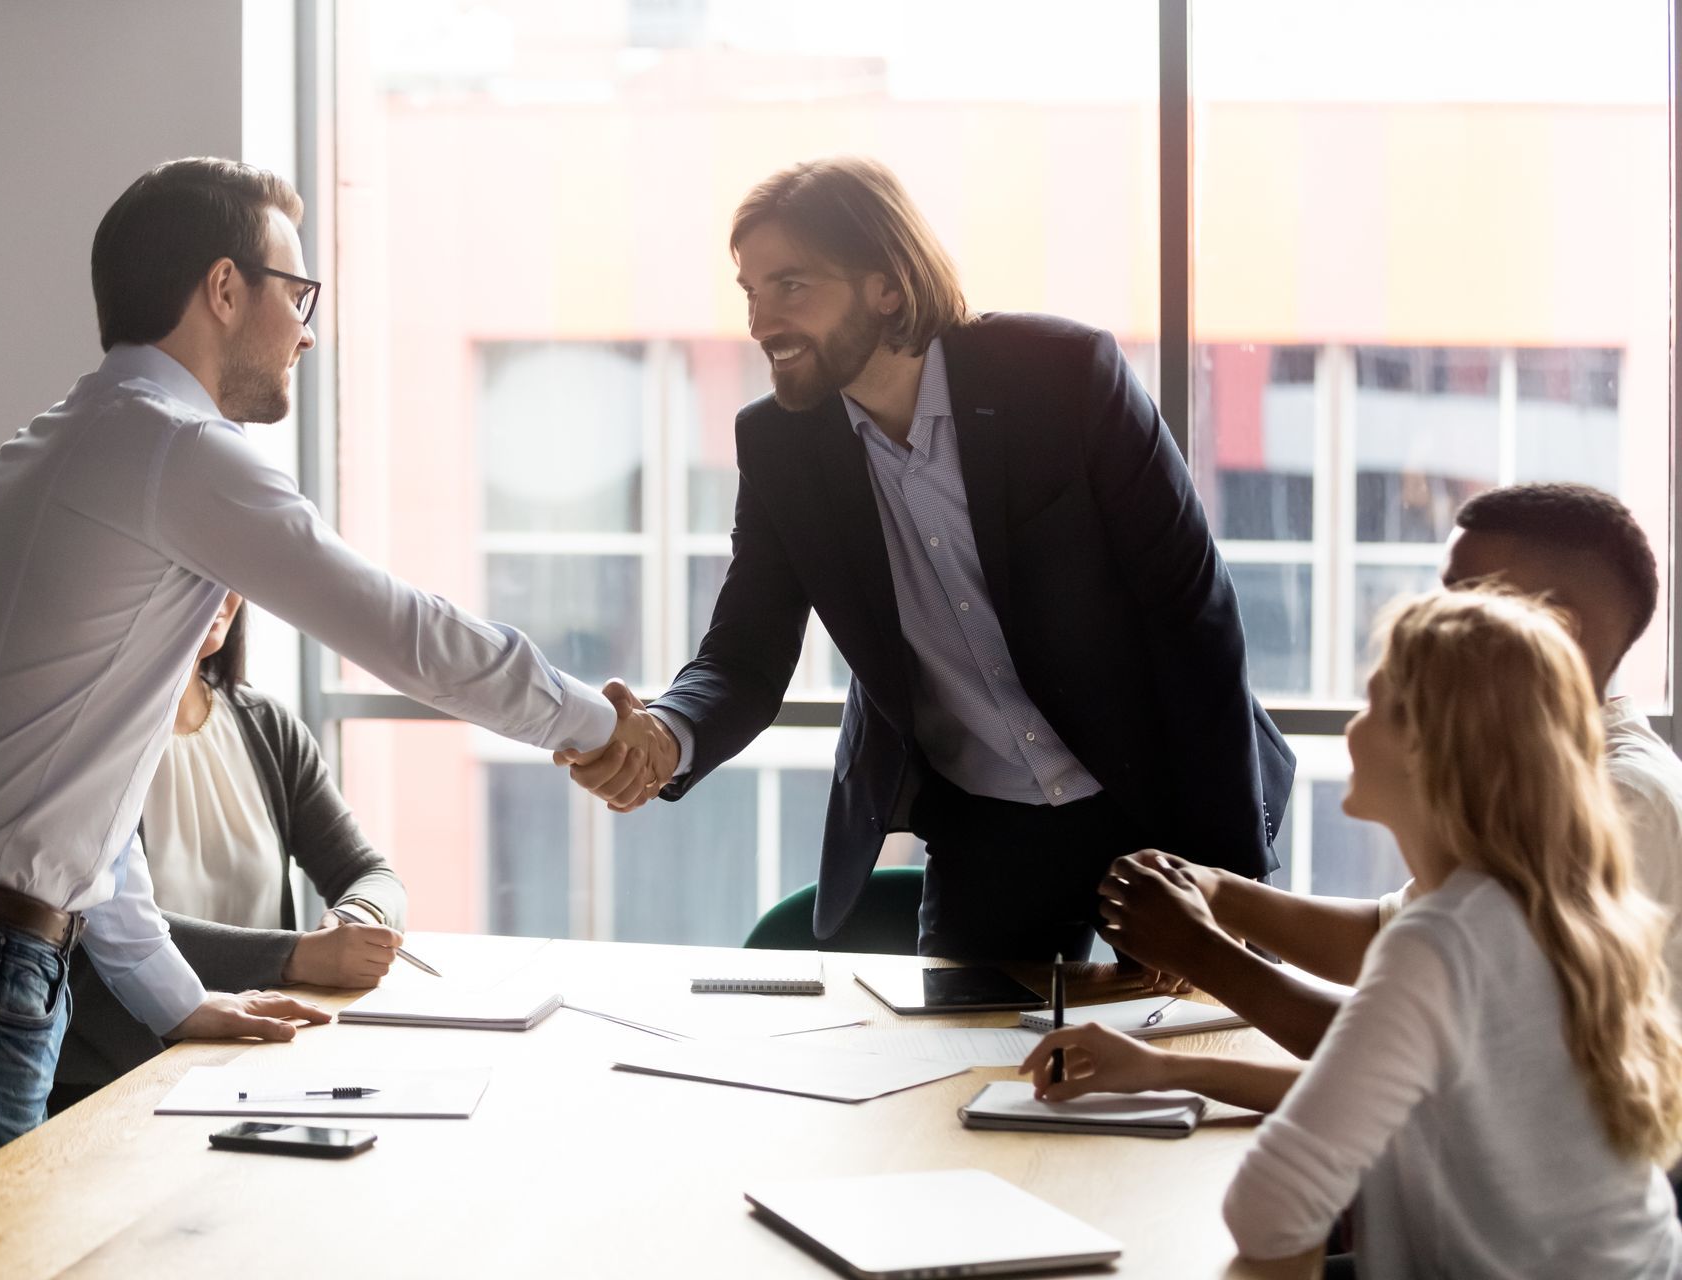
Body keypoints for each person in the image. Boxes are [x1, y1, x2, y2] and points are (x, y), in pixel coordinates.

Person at [0, 157, 630, 1249]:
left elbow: (85, 794)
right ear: (225, 288)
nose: (308, 329)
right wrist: (609, 727)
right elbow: (405, 632)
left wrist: (175, 997)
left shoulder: (63, 443)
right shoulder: (175, 450)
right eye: (299, 292)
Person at [558, 155, 1293, 962]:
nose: (762, 323)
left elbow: (1194, 622)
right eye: (752, 293)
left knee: (1182, 1061)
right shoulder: (780, 445)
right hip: (985, 828)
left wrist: (1233, 883)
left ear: (888, 285)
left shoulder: (1064, 377)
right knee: (951, 1077)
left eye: (792, 287)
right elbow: (745, 651)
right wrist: (666, 732)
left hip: (1155, 806)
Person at [1031, 589, 1682, 1276]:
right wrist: (1166, 1069)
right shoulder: (1541, 903)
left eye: (1376, 705)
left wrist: (1201, 953)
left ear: (1431, 749)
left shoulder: (1443, 939)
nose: (1351, 726)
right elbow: (1388, 1095)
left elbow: (1270, 1208)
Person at [1083, 482, 1682, 1059]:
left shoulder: (1620, 801)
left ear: (1554, 628)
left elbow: (1431, 1050)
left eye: (1461, 598)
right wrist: (1215, 892)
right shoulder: (1541, 777)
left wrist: (1202, 951)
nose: (1430, 621)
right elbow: (1396, 936)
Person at [50, 593, 405, 1109]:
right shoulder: (96, 737)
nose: (216, 594)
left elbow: (370, 871)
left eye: (225, 572)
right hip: (117, 1083)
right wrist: (294, 957)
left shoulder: (267, 727)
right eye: (190, 573)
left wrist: (356, 917)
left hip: (253, 1067)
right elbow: (100, 924)